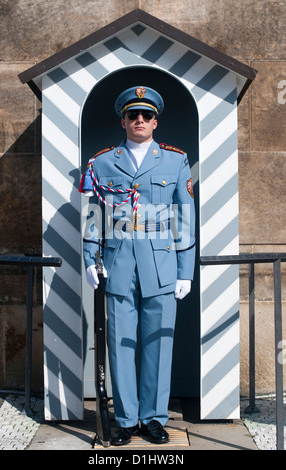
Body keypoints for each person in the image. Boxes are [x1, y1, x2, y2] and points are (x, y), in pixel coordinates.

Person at [80, 86, 195, 446]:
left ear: (155, 121)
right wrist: (90, 257)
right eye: (133, 115)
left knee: (158, 342)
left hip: (160, 264)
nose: (140, 120)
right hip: (117, 262)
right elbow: (96, 214)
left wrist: (185, 269)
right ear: (123, 121)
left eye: (146, 115)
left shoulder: (175, 161)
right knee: (121, 342)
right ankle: (127, 419)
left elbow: (184, 218)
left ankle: (154, 418)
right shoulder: (102, 162)